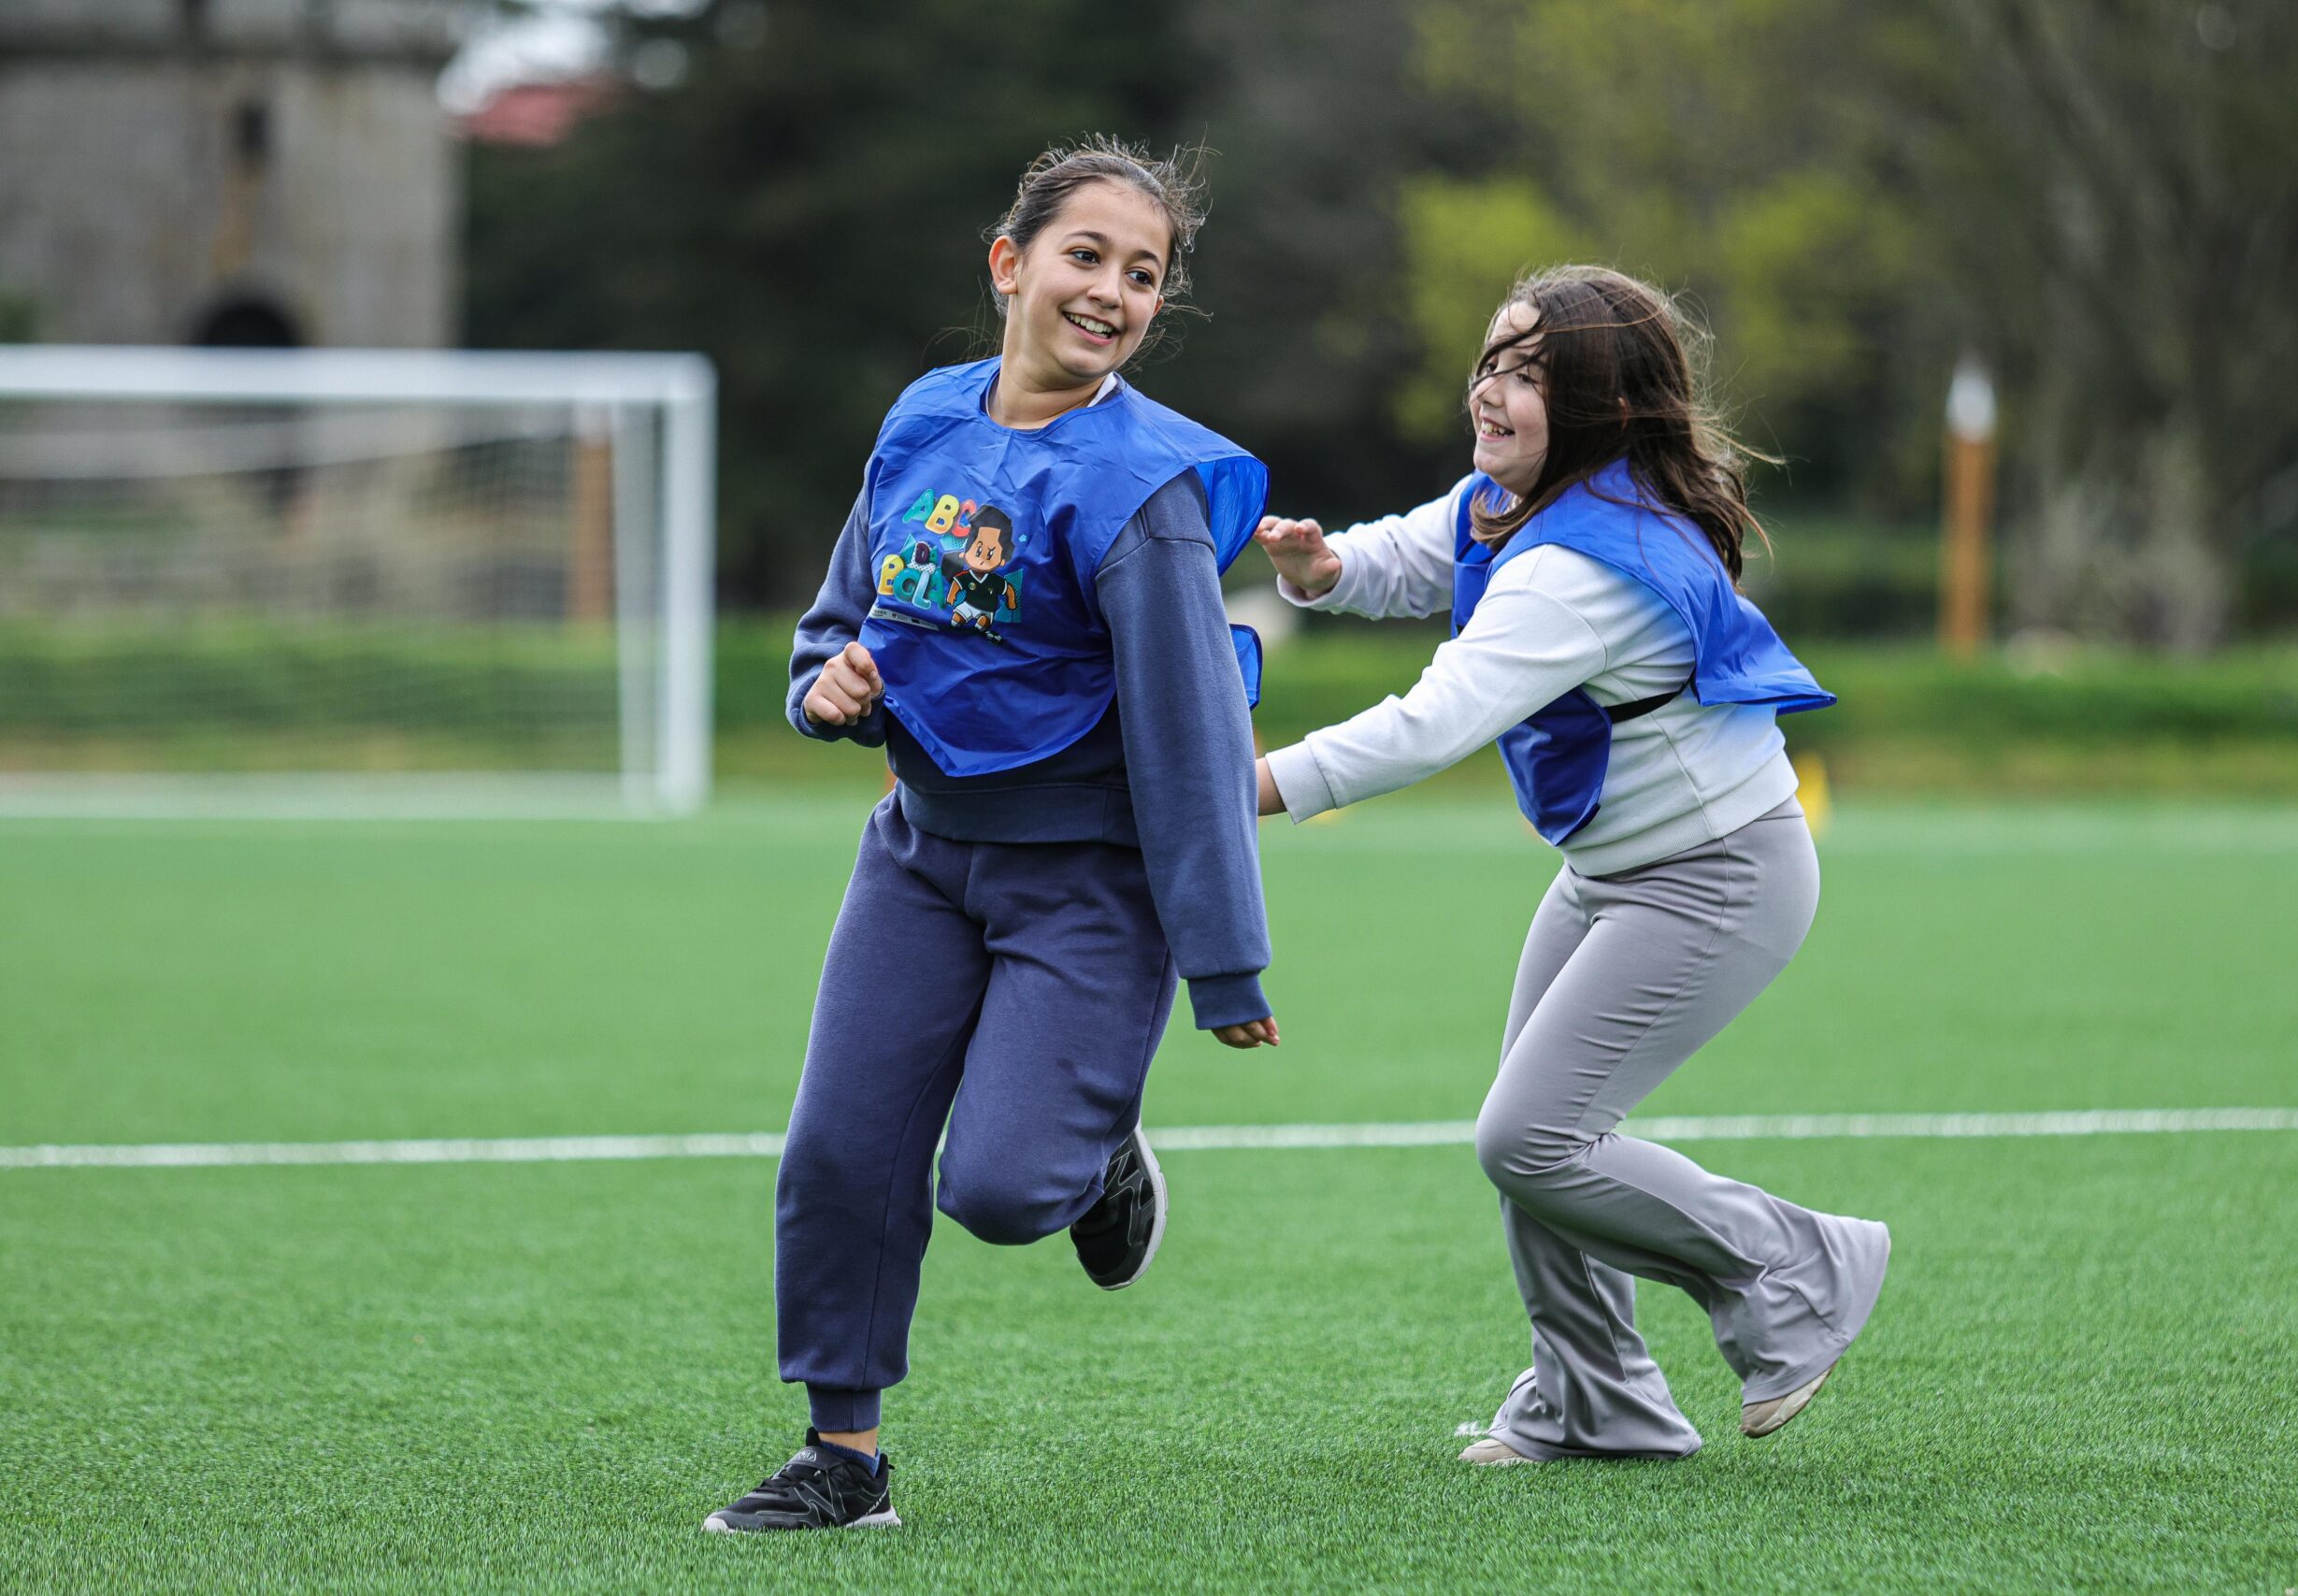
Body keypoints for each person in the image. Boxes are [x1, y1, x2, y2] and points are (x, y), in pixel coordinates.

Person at [706, 138, 1276, 1534]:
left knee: (1007, 1191)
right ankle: (843, 1458)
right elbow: (846, 616)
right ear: (1010, 263)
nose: (1113, 291)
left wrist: (1224, 964)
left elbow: (1194, 736)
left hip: (1087, 878)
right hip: (917, 852)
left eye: (1143, 273)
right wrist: (824, 686)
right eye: (1087, 255)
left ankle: (1097, 1148)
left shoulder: (1142, 490)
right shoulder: (922, 419)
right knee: (839, 1153)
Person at [1254, 265, 1888, 1463]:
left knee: (1529, 1138)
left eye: (1531, 374)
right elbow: (1425, 549)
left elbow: (1430, 724)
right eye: (1492, 359)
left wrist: (1240, 786)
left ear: (1604, 406)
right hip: (1616, 872)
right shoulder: (1520, 498)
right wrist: (1326, 571)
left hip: (1716, 876)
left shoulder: (1579, 567)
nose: (1491, 389)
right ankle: (1598, 1404)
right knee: (1543, 1138)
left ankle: (1794, 1267)